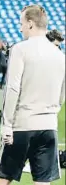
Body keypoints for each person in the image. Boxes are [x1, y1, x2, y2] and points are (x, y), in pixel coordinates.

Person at [0, 5, 65, 185]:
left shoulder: (21, 49)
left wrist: (7, 124)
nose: (20, 27)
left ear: (30, 23)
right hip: (48, 127)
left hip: (21, 126)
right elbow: (62, 95)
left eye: (21, 23)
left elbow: (12, 89)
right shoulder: (60, 55)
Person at [23, 28, 64, 174]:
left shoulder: (59, 59)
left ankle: (39, 163)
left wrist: (58, 103)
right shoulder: (34, 58)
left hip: (49, 104)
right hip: (32, 102)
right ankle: (27, 161)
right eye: (55, 45)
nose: (57, 49)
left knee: (47, 134)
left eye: (59, 46)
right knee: (31, 132)